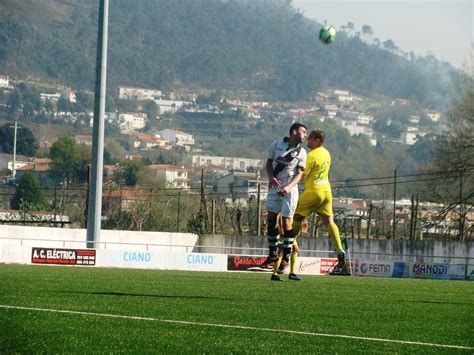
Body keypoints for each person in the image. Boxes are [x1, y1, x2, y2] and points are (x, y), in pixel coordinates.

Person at [290, 129, 346, 274]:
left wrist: (290, 179)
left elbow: (303, 175)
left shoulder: (311, 155)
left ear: (317, 141)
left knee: (296, 217)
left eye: (310, 139)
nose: (307, 140)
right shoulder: (326, 153)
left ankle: (287, 246)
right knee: (329, 222)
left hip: (314, 191)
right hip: (327, 191)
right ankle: (339, 250)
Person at [261, 122, 307, 281]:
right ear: (295, 132)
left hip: (289, 191)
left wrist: (288, 187)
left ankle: (286, 257)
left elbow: (300, 174)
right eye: (303, 132)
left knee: (287, 223)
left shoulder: (302, 152)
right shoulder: (276, 145)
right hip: (275, 188)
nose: (305, 135)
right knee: (272, 219)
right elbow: (268, 163)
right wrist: (270, 177)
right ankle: (272, 253)